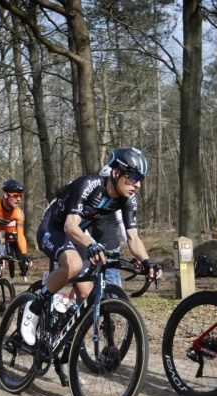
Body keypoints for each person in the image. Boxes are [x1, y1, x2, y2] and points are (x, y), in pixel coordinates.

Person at [20, 147, 159, 347]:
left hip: (78, 236)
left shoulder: (128, 200)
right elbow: (69, 226)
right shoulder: (89, 185)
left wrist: (148, 262)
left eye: (140, 179)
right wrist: (92, 244)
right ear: (115, 173)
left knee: (85, 293)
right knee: (74, 265)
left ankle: (66, 344)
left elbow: (133, 237)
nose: (136, 184)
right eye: (132, 177)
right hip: (54, 227)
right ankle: (34, 308)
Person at [92, 166, 130, 288]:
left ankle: (117, 303)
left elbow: (123, 225)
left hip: (108, 246)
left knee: (111, 283)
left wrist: (134, 252)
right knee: (99, 282)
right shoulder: (97, 197)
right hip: (97, 245)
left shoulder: (116, 200)